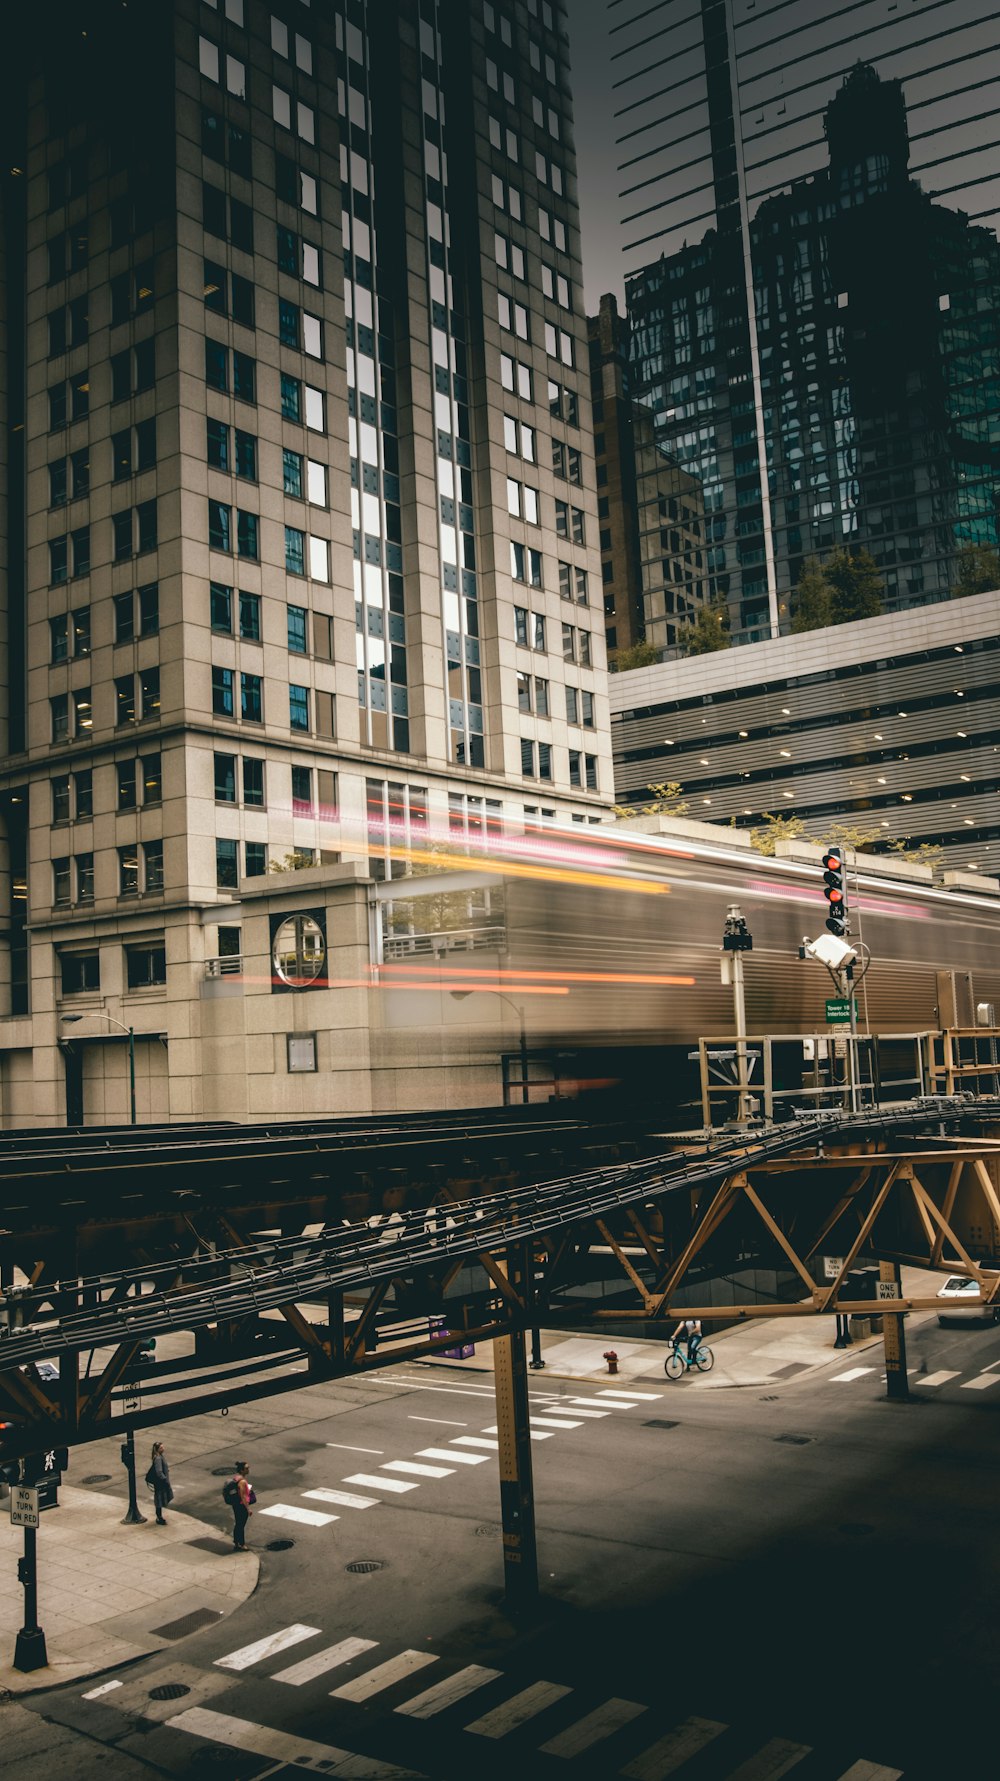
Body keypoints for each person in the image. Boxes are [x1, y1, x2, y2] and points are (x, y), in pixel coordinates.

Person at [230, 1460, 253, 1551]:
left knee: (238, 1524)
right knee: (241, 1525)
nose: (248, 1469)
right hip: (241, 1506)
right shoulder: (242, 1481)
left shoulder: (236, 1478)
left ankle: (236, 1542)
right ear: (242, 1470)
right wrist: (248, 1509)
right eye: (246, 1468)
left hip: (236, 1504)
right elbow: (243, 1496)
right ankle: (242, 1544)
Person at [150, 1441, 173, 1524]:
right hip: (161, 1483)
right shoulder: (158, 1458)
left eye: (163, 1447)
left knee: (160, 1499)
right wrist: (164, 1479)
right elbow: (159, 1472)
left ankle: (159, 1516)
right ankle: (159, 1517)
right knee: (159, 1499)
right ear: (157, 1449)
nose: (163, 1449)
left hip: (160, 1482)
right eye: (161, 1448)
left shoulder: (159, 1456)